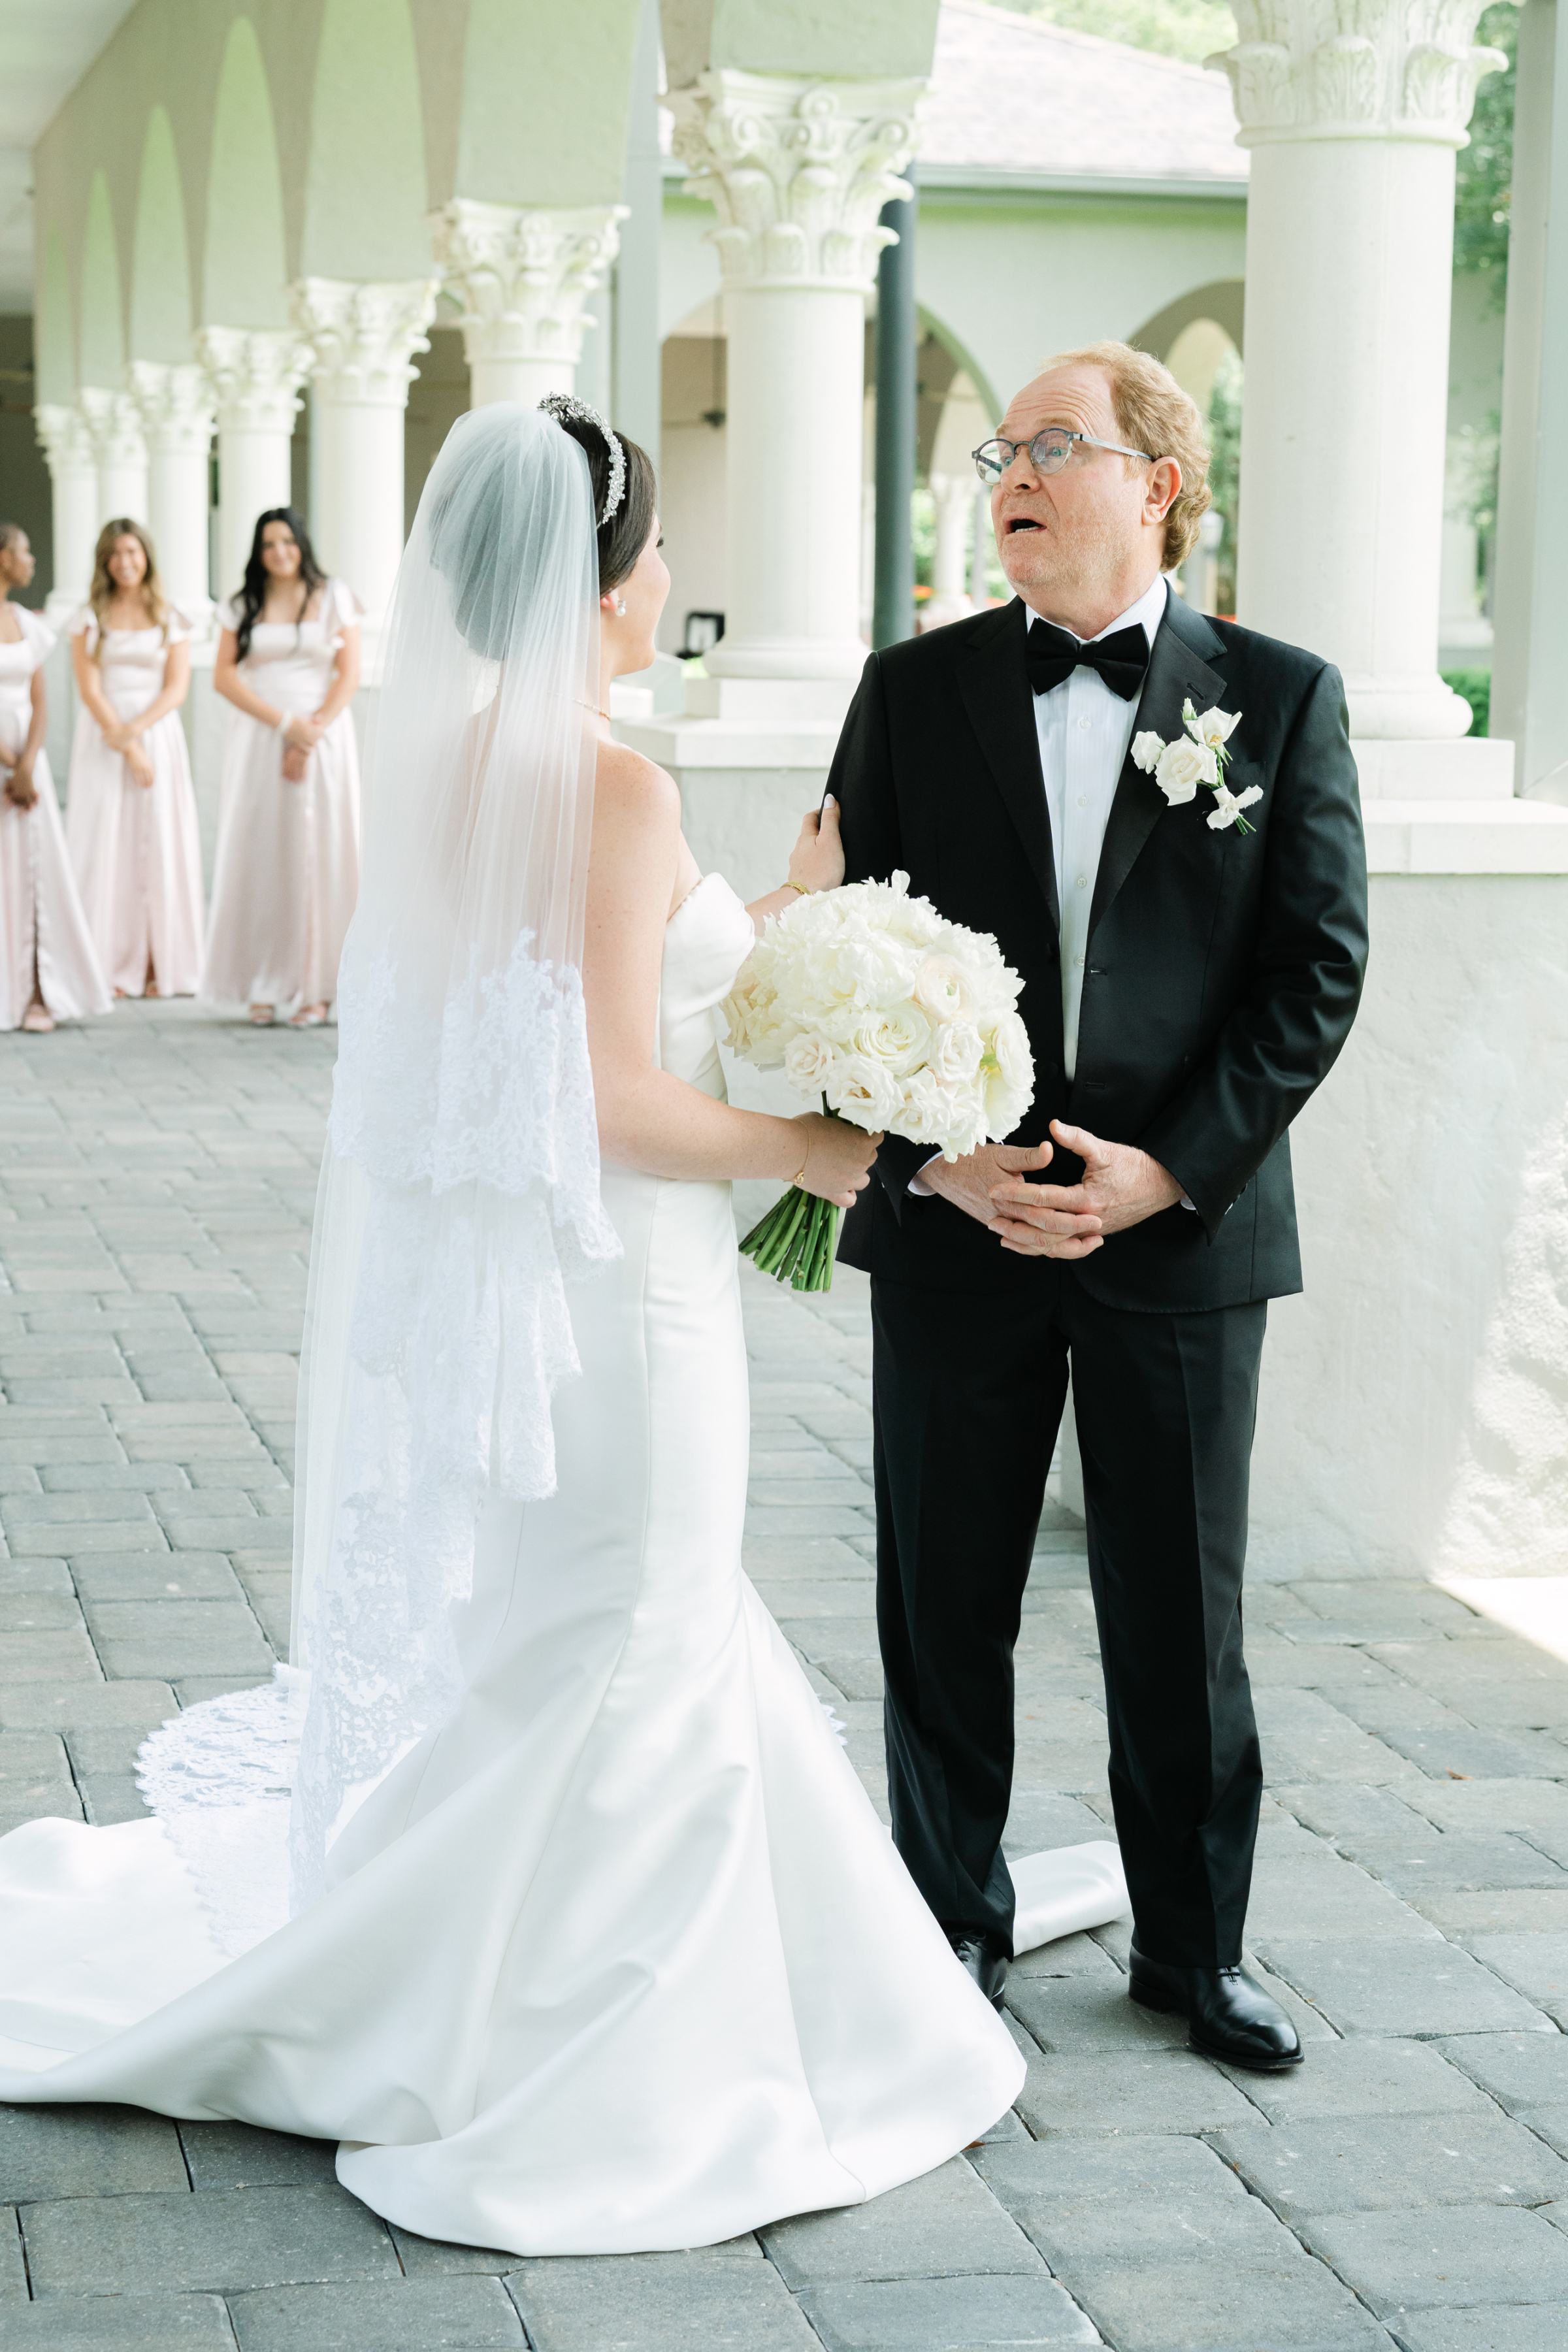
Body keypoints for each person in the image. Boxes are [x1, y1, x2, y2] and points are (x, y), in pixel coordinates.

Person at [0, 400, 1073, 2256]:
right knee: (638, 1632)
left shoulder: (458, 766)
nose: (670, 583)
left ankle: (500, 1970)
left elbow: (573, 1014)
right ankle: (606, 2052)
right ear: (607, 579)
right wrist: (820, 1149)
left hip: (556, 1298)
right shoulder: (615, 787)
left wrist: (791, 919)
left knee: (598, 1631)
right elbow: (602, 1098)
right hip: (630, 1296)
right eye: (657, 556)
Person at [830, 340, 1369, 2069]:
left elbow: (1316, 970)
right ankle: (949, 1928)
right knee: (942, 1602)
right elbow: (841, 950)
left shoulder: (1279, 697)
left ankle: (1196, 1954)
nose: (1015, 474)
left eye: (1056, 445)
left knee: (1182, 1619)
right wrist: (933, 1160)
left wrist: (1168, 1170)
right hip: (961, 1228)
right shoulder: (910, 690)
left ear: (1161, 482)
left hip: (1181, 1234)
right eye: (1003, 448)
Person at [203, 508, 361, 1027]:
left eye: (288, 541)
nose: (279, 552)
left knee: (320, 854)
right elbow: (224, 678)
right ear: (258, 551)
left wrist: (309, 732)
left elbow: (349, 673)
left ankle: (319, 989)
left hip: (323, 737)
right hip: (260, 737)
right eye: (269, 544)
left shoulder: (334, 596)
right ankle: (264, 981)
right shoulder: (240, 604)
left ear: (302, 544)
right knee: (262, 854)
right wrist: (285, 726)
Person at [65, 518, 204, 998]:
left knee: (159, 841)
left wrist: (139, 734)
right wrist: (125, 743)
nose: (124, 562)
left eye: (132, 552)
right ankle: (105, 965)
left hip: (157, 735)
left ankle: (157, 963)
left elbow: (177, 688)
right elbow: (89, 688)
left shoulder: (170, 615)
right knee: (106, 844)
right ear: (105, 562)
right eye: (115, 554)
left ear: (147, 557)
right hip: (104, 738)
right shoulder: (89, 617)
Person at [0, 523, 110, 1033]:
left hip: (28, 763)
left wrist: (27, 765)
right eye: (24, 551)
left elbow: (40, 700)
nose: (31, 560)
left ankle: (39, 991)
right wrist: (9, 763)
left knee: (38, 871)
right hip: (7, 762)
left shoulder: (26, 622)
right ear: (3, 558)